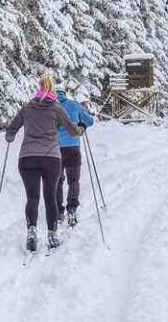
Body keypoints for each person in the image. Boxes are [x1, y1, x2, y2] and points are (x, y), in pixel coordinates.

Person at [6, 74, 82, 253]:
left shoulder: (27, 108)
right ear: (52, 89)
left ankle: (31, 230)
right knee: (50, 197)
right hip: (51, 158)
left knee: (32, 198)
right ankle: (52, 234)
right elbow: (72, 131)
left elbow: (11, 129)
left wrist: (10, 136)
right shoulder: (56, 108)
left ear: (39, 88)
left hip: (27, 157)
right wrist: (81, 129)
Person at [56, 80, 94, 227]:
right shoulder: (73, 105)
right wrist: (82, 124)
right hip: (72, 147)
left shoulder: (50, 107)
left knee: (57, 181)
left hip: (55, 149)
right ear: (65, 93)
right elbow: (89, 121)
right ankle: (72, 209)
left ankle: (59, 211)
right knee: (73, 180)